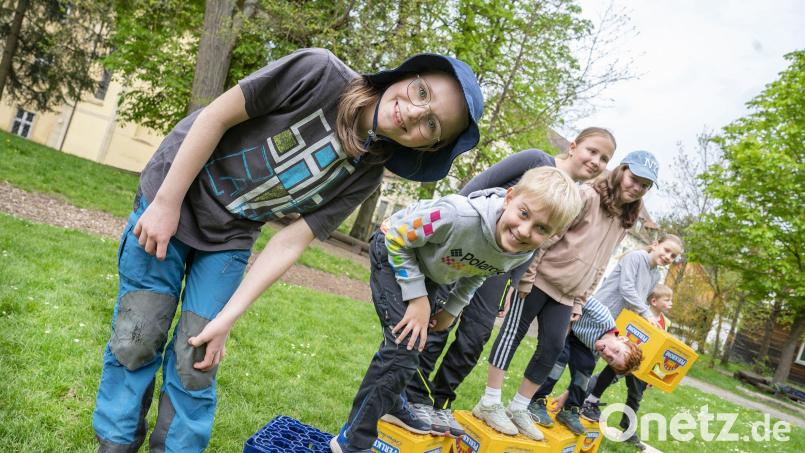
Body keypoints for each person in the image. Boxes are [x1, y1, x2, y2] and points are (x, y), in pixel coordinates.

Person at [93, 48, 484, 452]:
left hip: (230, 236)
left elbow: (289, 241)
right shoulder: (318, 73)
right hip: (172, 197)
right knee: (136, 336)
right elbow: (216, 116)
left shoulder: (365, 176)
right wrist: (165, 203)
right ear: (407, 75)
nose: (416, 113)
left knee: (197, 360)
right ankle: (116, 443)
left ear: (429, 148)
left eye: (432, 124)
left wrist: (228, 318)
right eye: (422, 93)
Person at [330, 167, 584, 453]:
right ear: (509, 197)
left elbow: (480, 270)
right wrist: (417, 299)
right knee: (403, 348)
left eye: (542, 229)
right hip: (393, 251)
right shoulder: (457, 216)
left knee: (417, 344)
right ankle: (352, 440)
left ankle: (391, 403)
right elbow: (398, 238)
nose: (525, 231)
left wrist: (452, 309)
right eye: (524, 214)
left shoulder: (521, 251)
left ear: (554, 235)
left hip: (434, 274)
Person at [403, 128, 616, 436]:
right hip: (462, 248)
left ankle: (440, 401)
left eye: (604, 158)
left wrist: (514, 283)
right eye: (592, 151)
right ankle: (414, 396)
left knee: (474, 337)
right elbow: (479, 185)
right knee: (439, 324)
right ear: (573, 146)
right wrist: (445, 233)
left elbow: (538, 244)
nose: (596, 161)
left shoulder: (573, 198)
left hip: (500, 267)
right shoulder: (535, 160)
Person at [473, 150, 661, 441]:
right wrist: (527, 275)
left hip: (568, 295)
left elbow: (601, 262)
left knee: (552, 347)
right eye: (634, 178)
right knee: (512, 335)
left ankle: (520, 406)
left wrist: (581, 299)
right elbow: (550, 237)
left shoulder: (625, 220)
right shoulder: (587, 196)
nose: (636, 187)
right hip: (540, 279)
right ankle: (489, 401)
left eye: (644, 186)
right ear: (621, 171)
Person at [527, 236, 683, 434]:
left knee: (584, 370)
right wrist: (645, 312)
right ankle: (537, 399)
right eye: (667, 250)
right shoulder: (636, 257)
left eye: (673, 256)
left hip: (608, 331)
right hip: (591, 315)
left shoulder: (655, 277)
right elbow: (626, 289)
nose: (668, 256)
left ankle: (571, 408)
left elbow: (636, 306)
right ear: (655, 244)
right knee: (559, 361)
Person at [580, 283, 677, 450]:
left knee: (635, 397)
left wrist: (653, 376)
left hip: (643, 367)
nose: (671, 303)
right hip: (624, 358)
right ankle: (586, 400)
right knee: (604, 379)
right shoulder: (639, 312)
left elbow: (660, 350)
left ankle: (628, 429)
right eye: (667, 300)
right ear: (654, 301)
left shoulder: (665, 322)